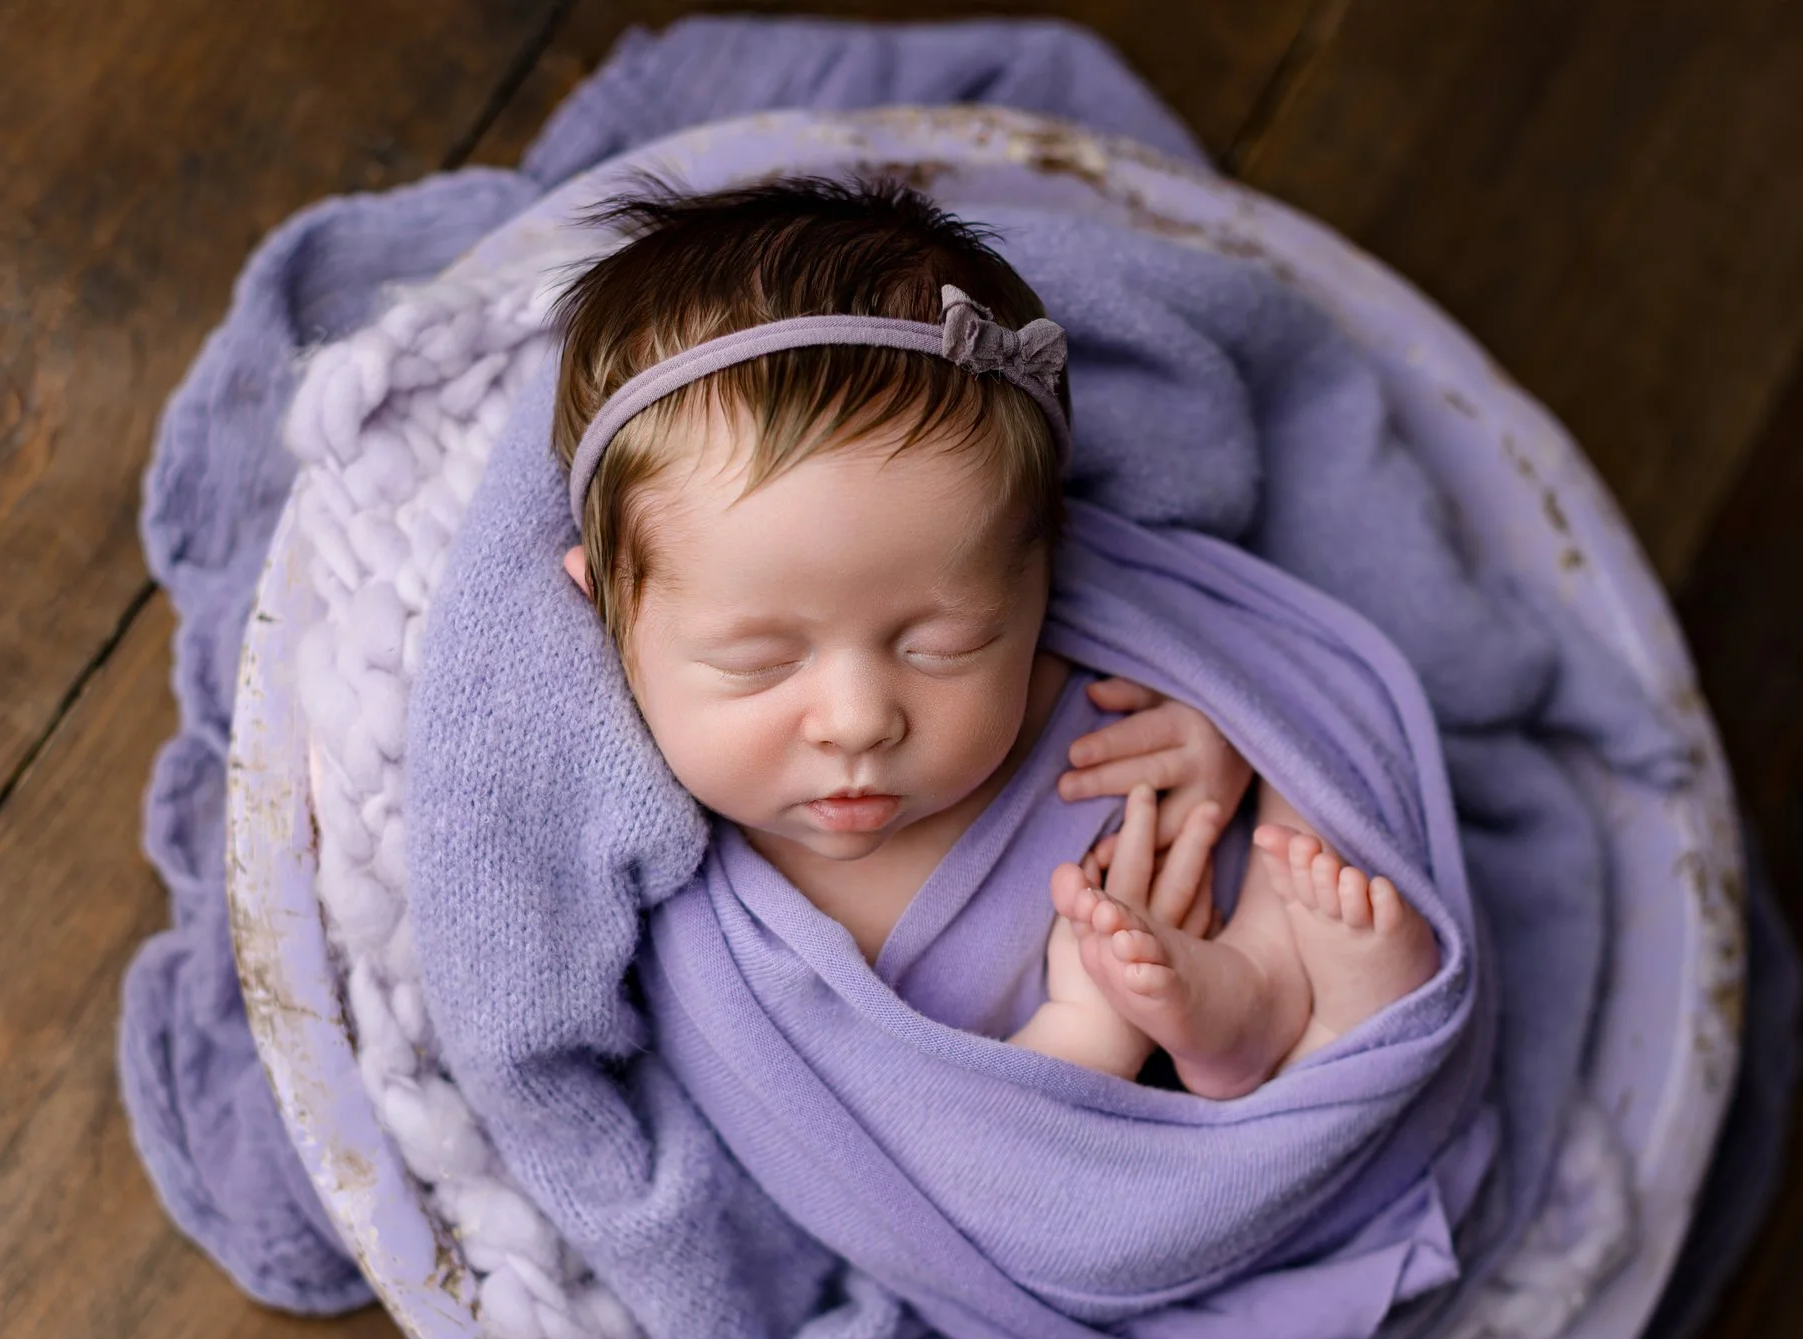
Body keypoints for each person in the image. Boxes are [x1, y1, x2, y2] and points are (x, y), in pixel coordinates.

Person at [551, 175, 1436, 1099]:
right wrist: (1089, 1035)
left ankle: (1285, 992)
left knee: (1316, 792)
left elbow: (1278, 669)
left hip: (1222, 919)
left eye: (946, 643)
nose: (858, 723)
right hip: (1080, 1131)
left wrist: (1227, 743)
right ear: (611, 607)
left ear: (1037, 580)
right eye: (759, 661)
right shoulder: (703, 917)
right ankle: (1283, 1035)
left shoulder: (1082, 679)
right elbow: (917, 1161)